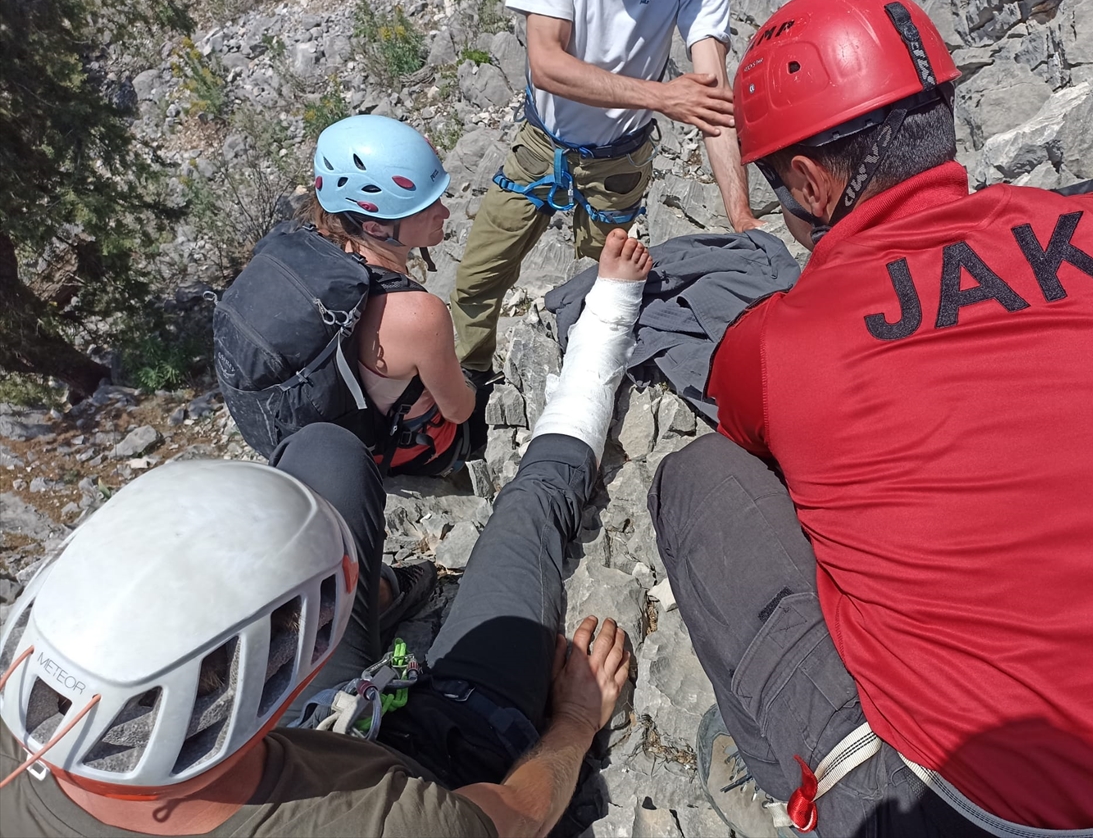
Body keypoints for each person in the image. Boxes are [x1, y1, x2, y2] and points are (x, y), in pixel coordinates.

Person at [648, 0, 1093, 838]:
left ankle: (800, 765)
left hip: (982, 810)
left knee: (696, 477)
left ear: (807, 183)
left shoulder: (782, 339)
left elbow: (743, 433)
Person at [0, 231, 655, 837]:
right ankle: (604, 331)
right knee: (531, 505)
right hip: (441, 754)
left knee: (327, 449)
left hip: (277, 733)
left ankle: (383, 598)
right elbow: (515, 814)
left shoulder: (30, 731)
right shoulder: (373, 817)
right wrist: (572, 720)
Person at [451, 0, 763, 391]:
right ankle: (470, 381)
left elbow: (710, 104)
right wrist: (662, 97)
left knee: (614, 284)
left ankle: (602, 374)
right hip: (543, 146)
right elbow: (546, 64)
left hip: (618, 158)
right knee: (478, 276)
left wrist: (741, 215)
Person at [302, 114, 479, 475]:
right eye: (424, 208)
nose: (444, 212)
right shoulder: (418, 315)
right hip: (414, 451)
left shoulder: (318, 251)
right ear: (374, 226)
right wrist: (472, 384)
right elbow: (458, 410)